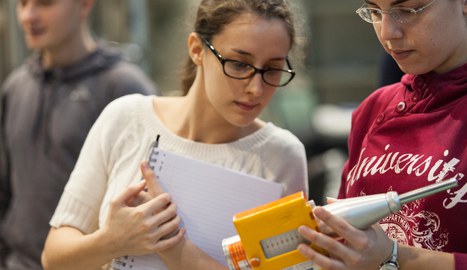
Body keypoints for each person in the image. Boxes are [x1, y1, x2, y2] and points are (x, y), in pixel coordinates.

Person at [41, 0, 308, 269]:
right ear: (196, 49)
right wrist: (114, 241)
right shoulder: (126, 119)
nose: (256, 88)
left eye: (272, 69)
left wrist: (172, 244)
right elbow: (54, 258)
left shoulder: (282, 156)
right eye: (239, 64)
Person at [297, 0, 467, 269]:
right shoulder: (375, 108)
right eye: (374, 12)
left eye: (407, 11)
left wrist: (398, 257)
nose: (387, 32)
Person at [0, 0, 156, 269]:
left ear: (84, 4)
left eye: (45, 3)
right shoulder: (16, 87)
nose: (28, 16)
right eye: (22, 3)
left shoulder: (124, 89)